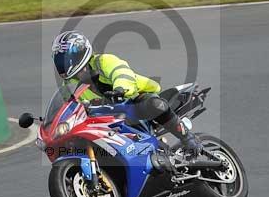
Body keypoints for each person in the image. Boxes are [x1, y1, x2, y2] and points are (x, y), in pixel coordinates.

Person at [51, 30, 202, 160]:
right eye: (59, 60)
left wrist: (120, 89)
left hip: (132, 100)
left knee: (155, 105)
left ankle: (189, 138)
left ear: (79, 52)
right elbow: (68, 107)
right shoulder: (70, 85)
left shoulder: (103, 61)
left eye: (64, 58)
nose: (62, 64)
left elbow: (122, 73)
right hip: (106, 117)